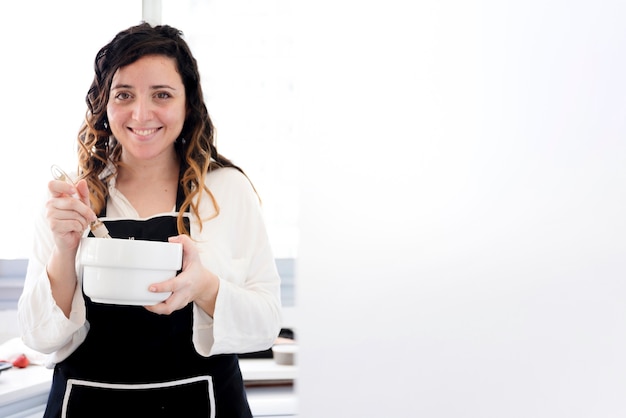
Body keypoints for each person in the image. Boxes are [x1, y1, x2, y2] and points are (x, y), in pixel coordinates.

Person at [18, 22, 282, 417]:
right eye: (124, 94)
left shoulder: (227, 191)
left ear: (187, 104)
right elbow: (37, 336)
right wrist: (64, 250)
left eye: (162, 94)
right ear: (104, 104)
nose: (141, 114)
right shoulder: (71, 199)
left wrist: (205, 288)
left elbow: (266, 324)